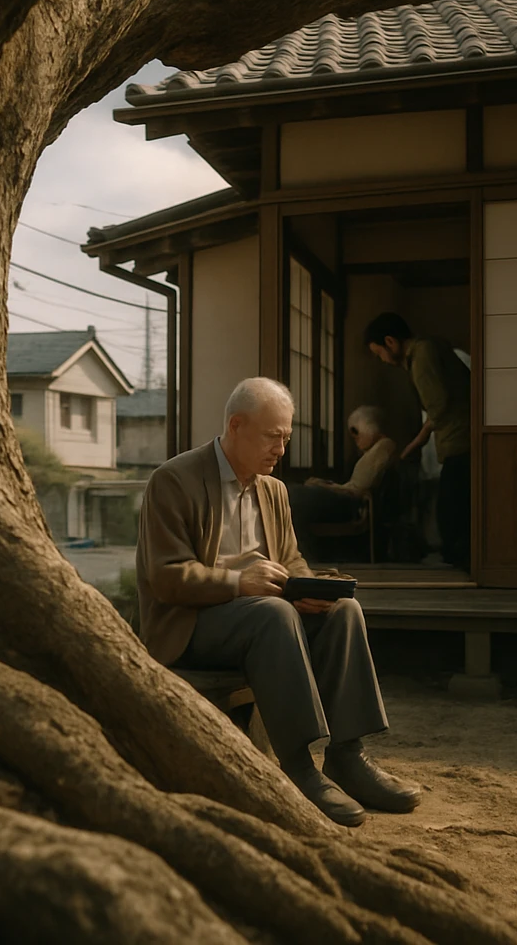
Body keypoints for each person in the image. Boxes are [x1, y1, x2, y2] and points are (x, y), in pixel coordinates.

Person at [135, 377, 421, 826]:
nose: (281, 451)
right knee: (272, 613)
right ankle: (298, 767)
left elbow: (290, 560)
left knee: (343, 611)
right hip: (190, 623)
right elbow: (165, 576)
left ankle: (348, 756)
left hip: (261, 614)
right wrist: (237, 582)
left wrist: (307, 589)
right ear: (236, 425)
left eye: (286, 439)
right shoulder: (174, 480)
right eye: (273, 437)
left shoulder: (273, 490)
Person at [364, 312, 471, 570]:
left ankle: (458, 568)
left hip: (461, 440)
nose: (383, 360)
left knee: (451, 514)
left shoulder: (422, 355)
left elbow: (437, 407)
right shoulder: (428, 349)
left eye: (379, 353)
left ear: (391, 342)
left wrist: (414, 445)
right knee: (455, 507)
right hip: (460, 439)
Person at [288, 405, 397, 547]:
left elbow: (357, 490)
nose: (355, 439)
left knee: (294, 495)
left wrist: (329, 487)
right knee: (291, 494)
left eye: (356, 432)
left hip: (352, 503)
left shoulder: (384, 446)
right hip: (348, 498)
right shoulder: (372, 452)